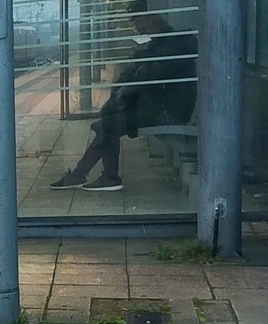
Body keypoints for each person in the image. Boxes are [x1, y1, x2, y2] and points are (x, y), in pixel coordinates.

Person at [51, 10, 197, 191]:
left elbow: (150, 79)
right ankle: (88, 175)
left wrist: (141, 56)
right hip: (157, 107)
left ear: (154, 22)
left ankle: (99, 177)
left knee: (107, 126)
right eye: (139, 31)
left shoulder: (171, 48)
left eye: (144, 28)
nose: (142, 33)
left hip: (166, 111)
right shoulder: (159, 47)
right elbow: (134, 78)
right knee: (105, 125)